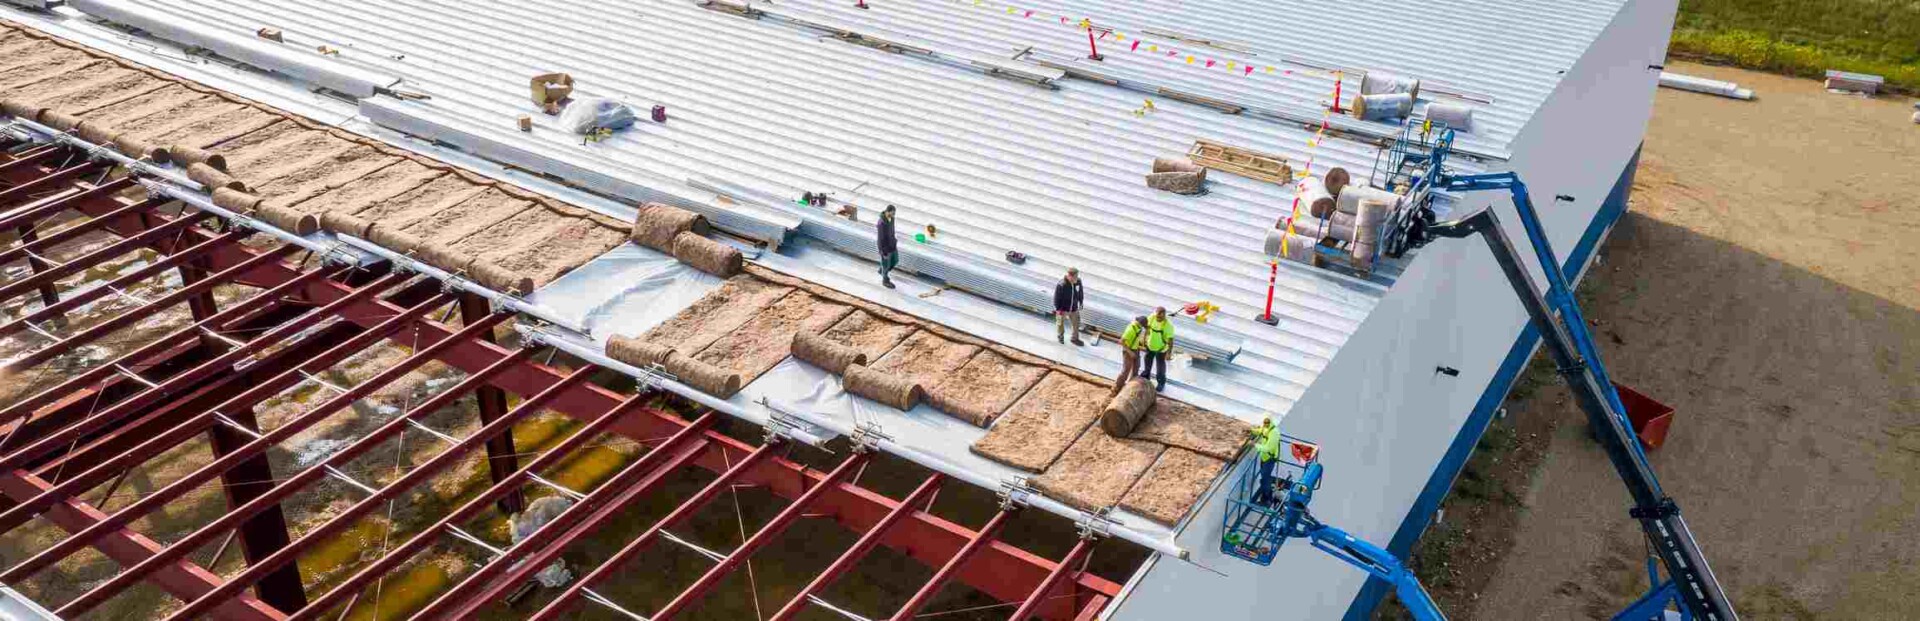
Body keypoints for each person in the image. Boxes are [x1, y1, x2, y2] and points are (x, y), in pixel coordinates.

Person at [1251, 416, 1284, 506]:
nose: (1265, 424)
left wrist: (1255, 445)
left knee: (1265, 479)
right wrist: (1251, 430)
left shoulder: (1274, 433)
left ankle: (1267, 500)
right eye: (1264, 422)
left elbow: (1268, 448)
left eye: (1267, 422)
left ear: (1271, 422)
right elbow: (1260, 431)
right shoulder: (1266, 428)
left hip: (1269, 459)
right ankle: (1265, 497)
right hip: (1264, 457)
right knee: (1264, 477)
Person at [1138, 306, 1174, 390]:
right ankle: (1146, 375)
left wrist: (1169, 353)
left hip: (1161, 349)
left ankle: (1161, 382)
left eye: (1160, 317)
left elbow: (1170, 341)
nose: (1158, 318)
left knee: (1160, 366)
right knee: (1147, 359)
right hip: (1150, 345)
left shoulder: (1168, 326)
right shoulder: (1152, 317)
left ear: (1164, 316)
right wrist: (1144, 339)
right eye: (1157, 316)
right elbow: (1147, 327)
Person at [1114, 315, 1147, 395]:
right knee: (1126, 370)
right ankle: (1117, 388)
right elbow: (1121, 341)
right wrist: (1130, 352)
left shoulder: (1138, 327)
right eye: (1144, 326)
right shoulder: (1131, 330)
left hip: (1135, 349)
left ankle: (1131, 387)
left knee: (1136, 367)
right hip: (1128, 351)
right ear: (1140, 323)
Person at [1052, 268, 1085, 345]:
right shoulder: (1062, 284)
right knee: (1060, 323)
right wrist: (1058, 309)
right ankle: (1060, 336)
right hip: (1063, 309)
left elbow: (1080, 292)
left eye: (1077, 276)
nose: (1077, 278)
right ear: (1070, 276)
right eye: (1075, 277)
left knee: (1076, 322)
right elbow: (1056, 298)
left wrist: (1081, 302)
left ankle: (1074, 338)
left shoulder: (1078, 282)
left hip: (1074, 308)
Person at [877, 205, 899, 288]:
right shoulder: (881, 223)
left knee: (895, 260)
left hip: (892, 244)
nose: (894, 215)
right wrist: (882, 252)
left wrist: (894, 240)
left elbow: (892, 230)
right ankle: (885, 280)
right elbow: (880, 239)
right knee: (886, 264)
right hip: (886, 248)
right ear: (888, 211)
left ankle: (882, 270)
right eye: (892, 213)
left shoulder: (892, 218)